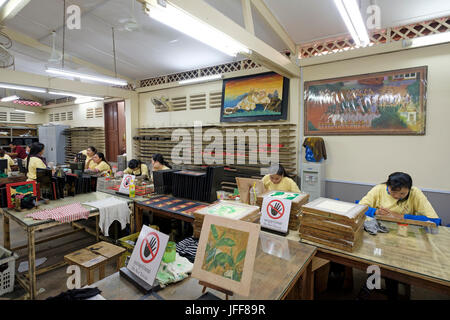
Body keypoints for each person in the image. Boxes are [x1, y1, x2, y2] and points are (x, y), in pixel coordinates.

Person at [359, 172, 439, 220]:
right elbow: (358, 209)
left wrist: (399, 216)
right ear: (387, 186)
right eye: (393, 192)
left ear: (409, 189)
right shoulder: (379, 189)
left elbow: (434, 220)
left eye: (402, 194)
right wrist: (376, 212)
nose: (397, 196)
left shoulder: (415, 193)